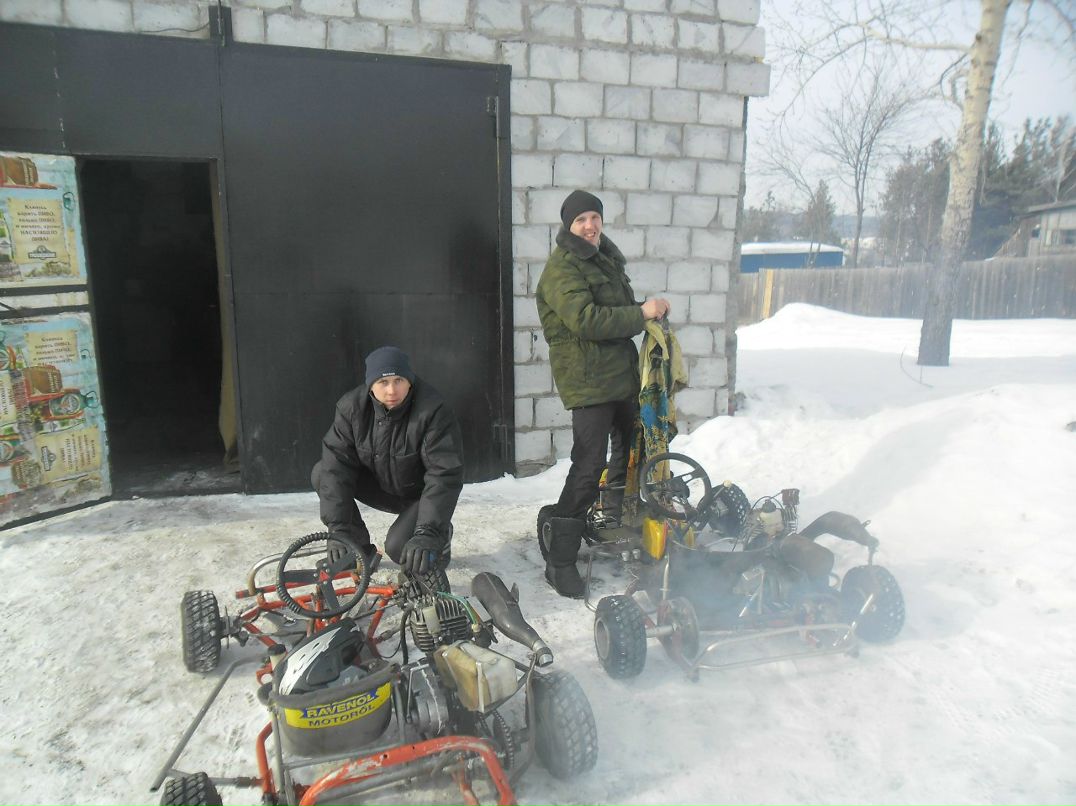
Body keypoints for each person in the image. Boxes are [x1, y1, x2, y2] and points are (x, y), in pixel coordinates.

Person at [535, 190, 671, 598]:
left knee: (634, 452)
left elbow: (619, 311)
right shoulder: (562, 269)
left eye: (594, 217)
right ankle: (559, 561)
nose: (590, 225)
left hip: (620, 377)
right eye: (581, 220)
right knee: (588, 463)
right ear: (568, 226)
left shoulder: (605, 260)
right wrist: (641, 313)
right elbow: (586, 320)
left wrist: (650, 319)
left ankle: (618, 520)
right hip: (588, 381)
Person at [311, 345, 464, 578]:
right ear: (370, 385)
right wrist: (339, 531)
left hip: (420, 496)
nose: (392, 390)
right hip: (380, 486)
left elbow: (444, 474)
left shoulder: (433, 410)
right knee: (322, 472)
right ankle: (359, 551)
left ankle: (439, 535)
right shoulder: (351, 408)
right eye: (383, 383)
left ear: (410, 381)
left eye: (399, 380)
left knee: (399, 548)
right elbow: (336, 468)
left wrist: (428, 532)